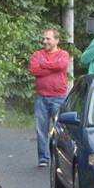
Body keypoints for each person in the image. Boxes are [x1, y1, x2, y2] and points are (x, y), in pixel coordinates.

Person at [29, 28, 70, 167]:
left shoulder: (63, 54)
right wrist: (52, 68)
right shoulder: (37, 54)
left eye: (48, 38)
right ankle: (43, 159)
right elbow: (34, 70)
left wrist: (44, 65)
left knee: (60, 130)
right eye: (44, 38)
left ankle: (61, 159)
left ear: (56, 40)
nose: (44, 41)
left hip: (59, 97)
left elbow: (62, 65)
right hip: (41, 97)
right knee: (41, 130)